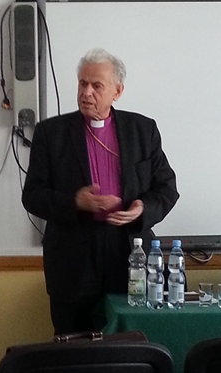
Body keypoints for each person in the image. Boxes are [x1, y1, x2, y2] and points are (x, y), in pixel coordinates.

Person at [22, 48, 179, 334]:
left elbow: (167, 188)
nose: (86, 93)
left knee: (132, 343)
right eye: (82, 83)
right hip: (73, 260)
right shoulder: (50, 133)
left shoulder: (142, 130)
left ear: (117, 91)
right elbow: (32, 195)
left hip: (129, 253)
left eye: (97, 86)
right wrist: (75, 202)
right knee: (75, 346)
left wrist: (142, 208)